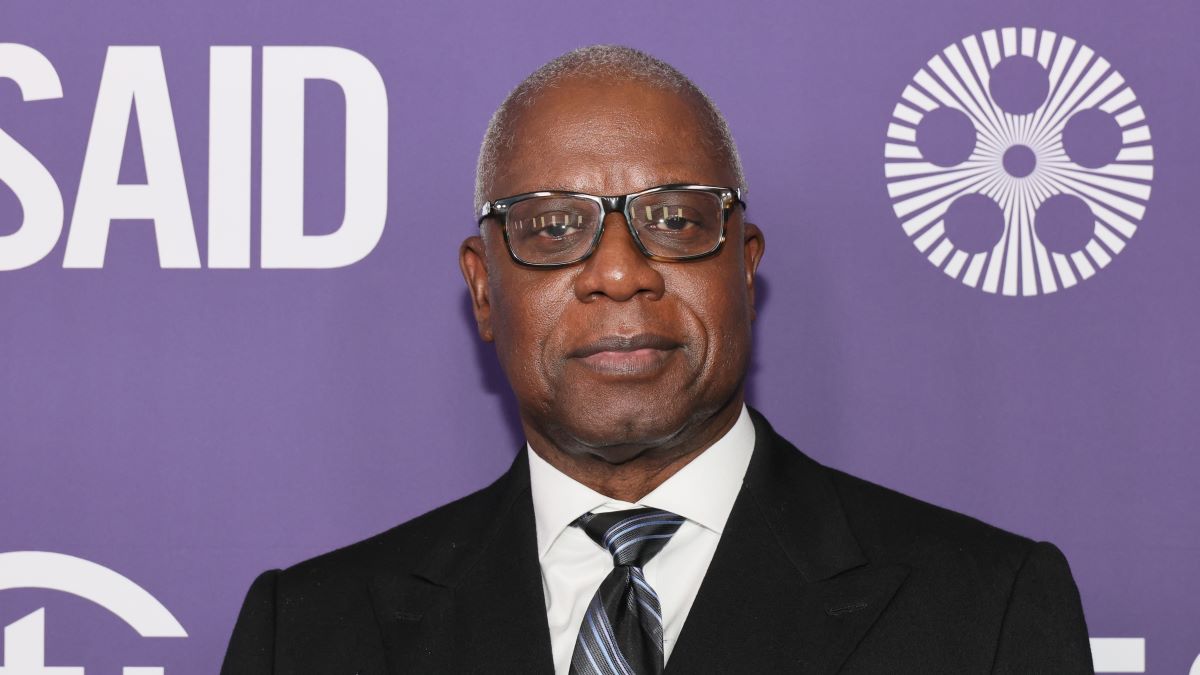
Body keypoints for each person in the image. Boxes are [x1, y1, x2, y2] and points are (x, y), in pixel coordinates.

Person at [221, 45, 1093, 674]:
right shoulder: (304, 634)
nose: (618, 271)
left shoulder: (988, 613)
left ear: (744, 268)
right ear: (484, 290)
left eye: (674, 218)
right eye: (554, 226)